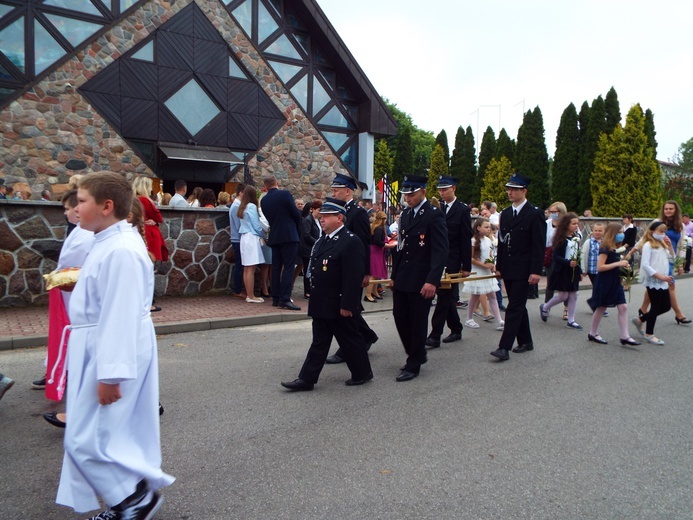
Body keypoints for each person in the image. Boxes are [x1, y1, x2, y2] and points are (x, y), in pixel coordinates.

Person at [55, 172, 174, 518]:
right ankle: (128, 499)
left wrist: (110, 374)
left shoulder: (120, 249)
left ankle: (134, 499)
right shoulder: (107, 240)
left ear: (107, 206)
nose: (75, 209)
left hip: (108, 348)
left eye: (81, 201)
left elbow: (119, 316)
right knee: (104, 434)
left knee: (85, 438)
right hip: (96, 344)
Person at [281, 198, 373, 391]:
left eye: (326, 216)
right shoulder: (324, 239)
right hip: (321, 301)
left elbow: (352, 277)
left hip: (339, 302)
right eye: (321, 216)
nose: (321, 219)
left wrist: (348, 304)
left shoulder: (350, 241)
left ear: (339, 218)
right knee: (319, 342)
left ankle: (362, 373)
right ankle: (306, 379)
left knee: (351, 340)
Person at [389, 175, 448, 381]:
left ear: (423, 192)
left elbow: (440, 251)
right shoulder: (405, 214)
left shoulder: (433, 215)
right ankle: (417, 352)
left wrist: (432, 280)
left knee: (417, 321)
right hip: (404, 275)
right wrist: (394, 275)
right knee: (399, 316)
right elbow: (401, 248)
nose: (407, 198)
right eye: (405, 194)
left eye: (411, 194)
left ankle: (413, 363)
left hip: (422, 278)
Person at [490, 173, 546, 362]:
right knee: (518, 305)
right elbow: (502, 243)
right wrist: (499, 267)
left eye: (514, 189)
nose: (509, 192)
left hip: (525, 269)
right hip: (509, 267)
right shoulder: (505, 213)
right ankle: (526, 341)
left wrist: (536, 271)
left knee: (514, 307)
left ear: (524, 191)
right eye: (508, 189)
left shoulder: (534, 213)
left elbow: (538, 245)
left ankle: (504, 347)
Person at [325, 174, 380, 364]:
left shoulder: (357, 213)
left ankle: (347, 348)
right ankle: (367, 335)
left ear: (347, 191)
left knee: (348, 308)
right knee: (350, 308)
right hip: (338, 269)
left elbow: (364, 244)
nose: (332, 193)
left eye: (336, 191)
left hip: (352, 270)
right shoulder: (337, 210)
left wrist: (366, 272)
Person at [425, 175, 472, 348]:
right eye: (440, 189)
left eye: (445, 189)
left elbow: (465, 239)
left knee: (444, 296)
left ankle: (435, 334)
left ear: (454, 188)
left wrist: (466, 266)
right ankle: (456, 328)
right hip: (436, 258)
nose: (442, 192)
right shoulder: (437, 208)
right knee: (448, 297)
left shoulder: (462, 210)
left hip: (452, 259)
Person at [634, 201, 690, 325]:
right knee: (669, 285)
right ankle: (679, 314)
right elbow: (645, 237)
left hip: (670, 258)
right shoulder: (657, 222)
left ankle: (643, 309)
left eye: (671, 209)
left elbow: (682, 245)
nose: (668, 211)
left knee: (655, 286)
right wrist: (633, 249)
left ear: (676, 210)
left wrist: (680, 263)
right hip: (658, 259)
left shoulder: (680, 225)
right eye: (666, 209)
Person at [585, 223, 640, 346]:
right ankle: (593, 333)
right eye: (620, 232)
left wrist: (624, 266)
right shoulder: (605, 248)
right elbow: (600, 267)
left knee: (623, 307)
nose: (622, 235)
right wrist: (618, 264)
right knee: (601, 308)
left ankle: (625, 336)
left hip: (615, 282)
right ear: (613, 233)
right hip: (605, 282)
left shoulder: (615, 248)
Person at [260, 176, 302, 310]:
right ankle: (285, 298)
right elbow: (296, 215)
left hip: (275, 235)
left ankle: (276, 298)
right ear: (277, 183)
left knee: (276, 268)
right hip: (289, 234)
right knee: (289, 267)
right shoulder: (285, 194)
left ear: (265, 187)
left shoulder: (264, 200)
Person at [631, 220, 676, 345]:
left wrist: (670, 246)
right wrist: (659, 277)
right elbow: (645, 265)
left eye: (664, 231)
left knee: (666, 306)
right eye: (661, 231)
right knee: (656, 306)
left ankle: (641, 319)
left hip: (663, 280)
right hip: (654, 280)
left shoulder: (663, 245)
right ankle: (649, 334)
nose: (663, 234)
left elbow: (673, 259)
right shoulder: (648, 245)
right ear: (652, 232)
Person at [539, 212, 584, 330]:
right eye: (573, 223)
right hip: (563, 270)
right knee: (563, 295)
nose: (576, 226)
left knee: (574, 294)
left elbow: (577, 253)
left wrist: (579, 269)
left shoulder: (577, 237)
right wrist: (568, 262)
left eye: (577, 224)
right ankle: (545, 307)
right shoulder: (560, 238)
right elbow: (556, 256)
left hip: (573, 270)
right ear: (566, 224)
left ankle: (571, 320)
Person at [462, 217, 504, 330]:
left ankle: (499, 320)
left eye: (489, 227)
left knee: (493, 296)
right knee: (475, 296)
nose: (488, 229)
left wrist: (492, 265)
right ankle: (469, 318)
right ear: (478, 227)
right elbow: (471, 258)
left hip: (487, 272)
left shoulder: (488, 240)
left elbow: (490, 255)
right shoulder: (473, 241)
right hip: (477, 271)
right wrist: (484, 265)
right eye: (486, 227)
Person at [238, 185, 266, 304]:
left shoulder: (242, 206)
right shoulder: (252, 206)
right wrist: (265, 234)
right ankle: (251, 295)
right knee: (251, 268)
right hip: (251, 237)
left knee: (246, 268)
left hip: (244, 237)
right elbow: (256, 225)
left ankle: (249, 294)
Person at [132, 176, 168, 263]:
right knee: (150, 262)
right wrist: (155, 221)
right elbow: (158, 217)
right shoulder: (144, 200)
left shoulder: (134, 199)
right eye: (150, 186)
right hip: (148, 233)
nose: (151, 188)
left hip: (142, 230)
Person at [364, 210, 391, 302]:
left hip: (376, 251)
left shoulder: (375, 227)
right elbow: (377, 241)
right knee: (373, 274)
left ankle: (374, 292)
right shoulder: (379, 229)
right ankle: (368, 294)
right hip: (375, 252)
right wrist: (387, 245)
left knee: (376, 274)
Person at [299, 200, 322, 299]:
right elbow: (306, 235)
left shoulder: (319, 221)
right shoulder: (308, 220)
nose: (320, 213)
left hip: (317, 248)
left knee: (315, 270)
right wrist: (317, 242)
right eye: (319, 210)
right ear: (312, 209)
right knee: (308, 270)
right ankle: (307, 291)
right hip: (308, 249)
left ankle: (314, 289)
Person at [228, 183, 246, 298]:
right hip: (238, 239)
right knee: (239, 265)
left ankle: (239, 289)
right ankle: (238, 289)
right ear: (241, 193)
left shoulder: (236, 205)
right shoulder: (236, 207)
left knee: (240, 265)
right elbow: (239, 225)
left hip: (237, 238)